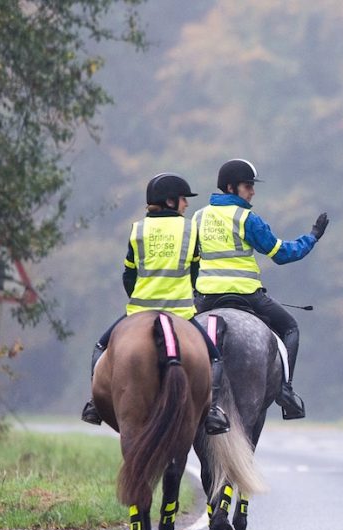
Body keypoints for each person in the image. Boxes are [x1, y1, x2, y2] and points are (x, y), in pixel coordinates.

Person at [80, 173, 231, 435]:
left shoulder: (138, 230)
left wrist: (139, 296)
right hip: (181, 312)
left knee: (100, 348)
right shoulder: (190, 230)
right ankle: (213, 412)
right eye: (183, 199)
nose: (186, 204)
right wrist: (185, 294)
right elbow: (195, 274)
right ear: (170, 201)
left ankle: (95, 404)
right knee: (215, 357)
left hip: (140, 309)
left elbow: (128, 275)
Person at [192, 158, 328, 420]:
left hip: (206, 298)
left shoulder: (198, 217)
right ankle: (285, 392)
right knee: (290, 328)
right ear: (231, 187)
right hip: (246, 295)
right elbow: (282, 254)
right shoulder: (246, 218)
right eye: (248, 186)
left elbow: (191, 260)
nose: (252, 192)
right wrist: (312, 237)